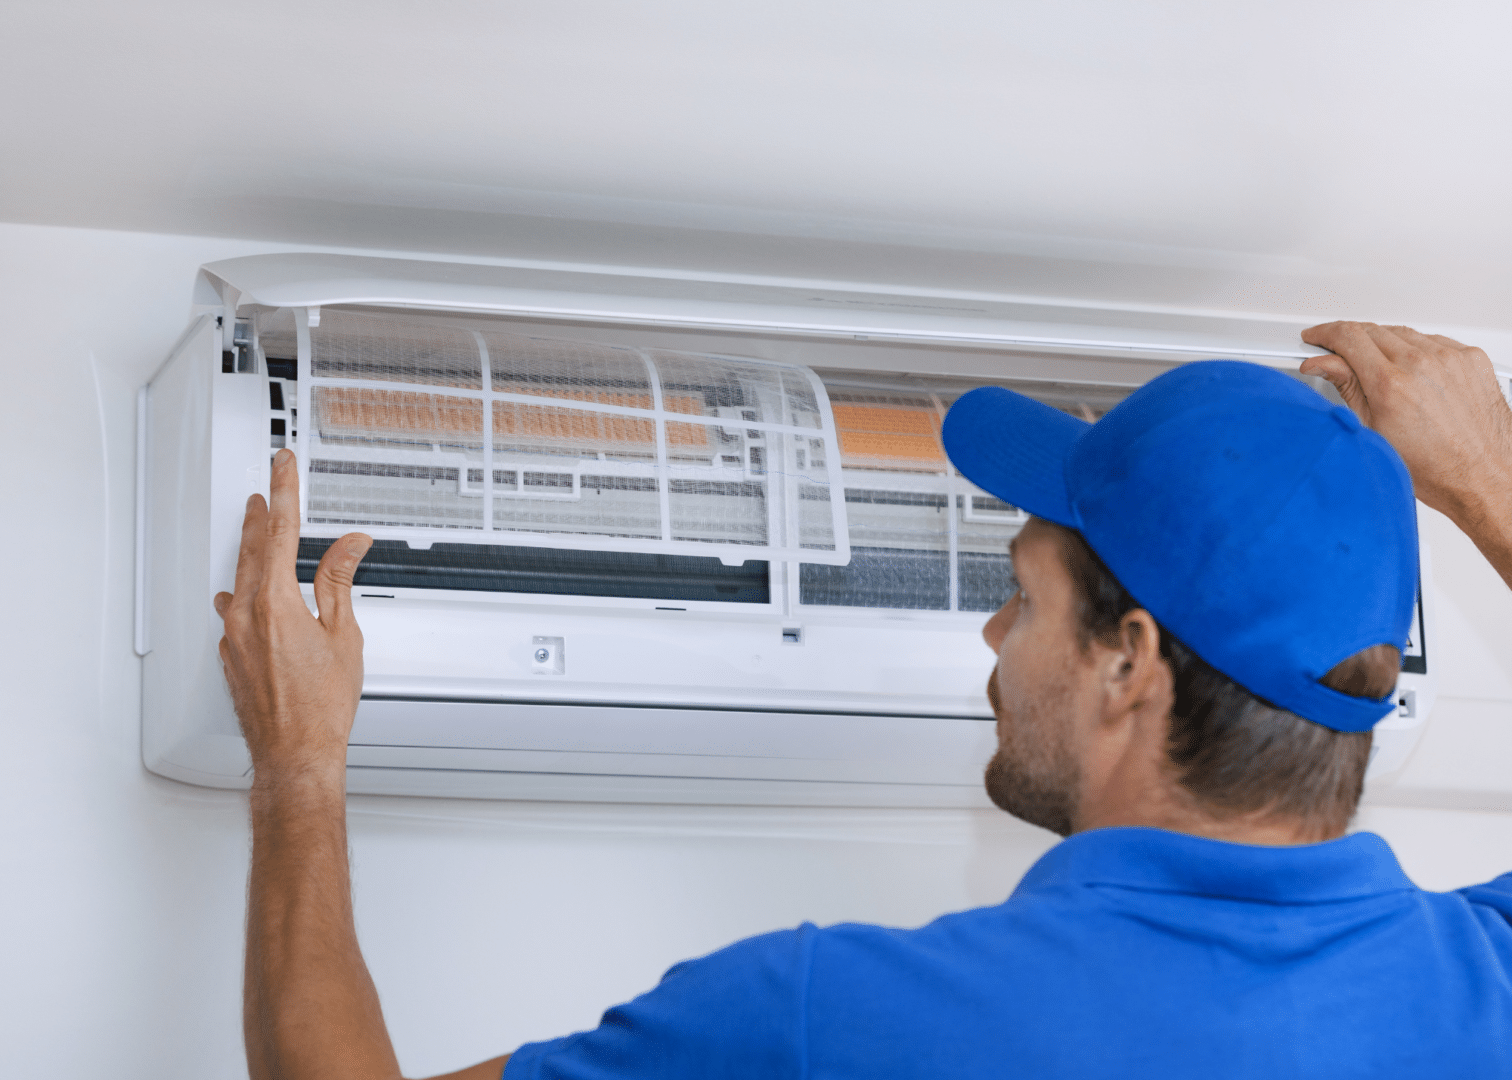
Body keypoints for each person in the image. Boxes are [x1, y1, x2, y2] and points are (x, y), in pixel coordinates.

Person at [215, 322, 1512, 1080]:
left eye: (1024, 594)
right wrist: (1494, 485)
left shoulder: (836, 1020)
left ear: (1132, 660)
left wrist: (300, 764)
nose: (994, 632)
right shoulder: (1484, 991)